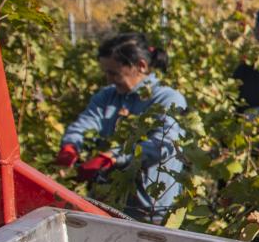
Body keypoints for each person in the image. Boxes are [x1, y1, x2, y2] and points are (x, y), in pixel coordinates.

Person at [56, 32, 186, 223]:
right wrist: (71, 145)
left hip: (150, 211)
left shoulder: (168, 99)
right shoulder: (107, 96)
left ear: (140, 66)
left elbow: (164, 144)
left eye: (114, 73)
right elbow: (87, 122)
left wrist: (113, 157)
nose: (109, 79)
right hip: (108, 204)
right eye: (106, 72)